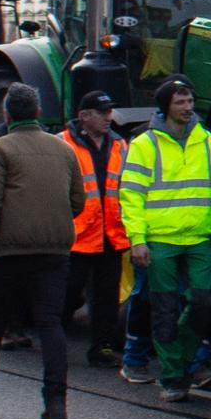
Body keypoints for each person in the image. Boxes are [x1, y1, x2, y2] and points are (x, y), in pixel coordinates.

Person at [0, 83, 85, 419]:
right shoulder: (64, 149)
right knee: (50, 324)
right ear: (38, 113)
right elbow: (77, 202)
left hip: (10, 252)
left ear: (7, 114)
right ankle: (56, 403)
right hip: (54, 250)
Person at [120, 77, 211, 403]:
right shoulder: (145, 145)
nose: (188, 108)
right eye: (180, 102)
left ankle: (179, 362)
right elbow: (132, 196)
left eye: (190, 102)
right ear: (165, 105)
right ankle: (172, 377)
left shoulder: (207, 141)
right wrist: (137, 240)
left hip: (198, 238)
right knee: (165, 310)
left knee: (203, 303)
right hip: (160, 240)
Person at [64, 93, 129, 368]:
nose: (108, 117)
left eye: (109, 111)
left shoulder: (119, 145)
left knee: (107, 295)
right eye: (101, 112)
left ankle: (102, 347)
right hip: (77, 236)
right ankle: (55, 337)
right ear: (84, 116)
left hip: (110, 234)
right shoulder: (63, 144)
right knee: (67, 292)